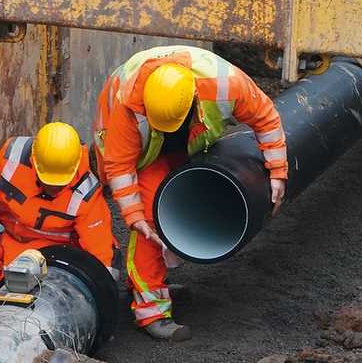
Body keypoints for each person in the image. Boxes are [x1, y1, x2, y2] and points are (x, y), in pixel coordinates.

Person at [94, 45, 288, 341]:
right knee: (149, 220)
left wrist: (277, 170)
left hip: (188, 139)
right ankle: (152, 312)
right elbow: (120, 167)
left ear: (193, 99)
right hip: (143, 153)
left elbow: (266, 117)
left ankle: (153, 281)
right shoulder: (127, 104)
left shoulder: (226, 83)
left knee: (171, 206)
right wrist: (134, 217)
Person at [0, 121, 115, 296]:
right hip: (7, 241)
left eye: (60, 184)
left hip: (55, 257)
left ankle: (40, 302)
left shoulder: (88, 190)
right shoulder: (11, 158)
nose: (54, 189)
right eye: (47, 181)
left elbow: (100, 254)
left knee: (84, 280)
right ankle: (10, 302)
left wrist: (100, 293)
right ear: (33, 161)